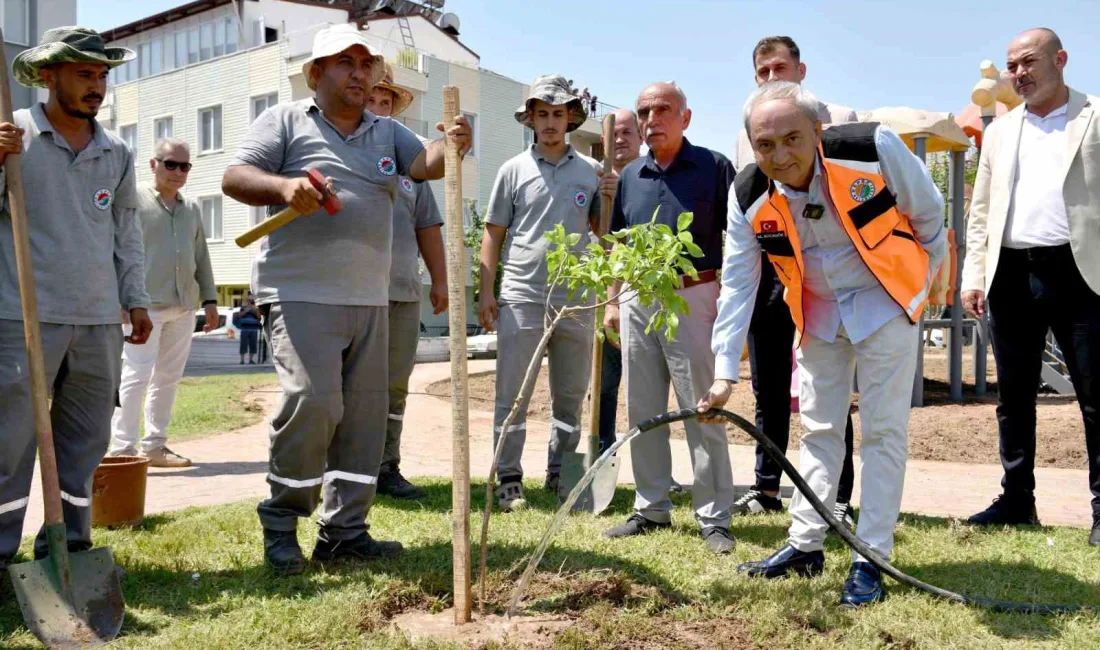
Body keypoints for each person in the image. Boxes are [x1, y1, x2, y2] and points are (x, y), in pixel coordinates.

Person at [221, 24, 471, 574]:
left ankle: (345, 532)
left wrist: (449, 143)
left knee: (363, 415)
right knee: (314, 402)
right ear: (316, 73)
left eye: (366, 64)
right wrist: (285, 188)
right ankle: (282, 522)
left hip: (371, 299)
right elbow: (235, 177)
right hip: (300, 293)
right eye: (345, 63)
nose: (360, 73)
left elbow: (424, 165)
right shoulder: (285, 120)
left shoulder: (387, 132)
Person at [699, 81, 946, 605]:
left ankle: (870, 557)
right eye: (765, 145)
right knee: (818, 431)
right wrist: (724, 370)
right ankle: (805, 545)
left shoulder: (869, 149)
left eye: (792, 139)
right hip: (817, 313)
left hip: (886, 300)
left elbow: (929, 214)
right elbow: (740, 283)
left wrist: (919, 291)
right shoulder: (747, 194)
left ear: (818, 130)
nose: (781, 156)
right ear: (751, 145)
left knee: (882, 433)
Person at [0, 27, 152, 575]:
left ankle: (69, 551)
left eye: (102, 75)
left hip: (97, 320)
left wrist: (135, 299)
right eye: (84, 74)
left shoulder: (116, 151)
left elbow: (126, 232)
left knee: (85, 443)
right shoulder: (11, 137)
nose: (97, 86)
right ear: (48, 76)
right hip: (22, 316)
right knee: (8, 446)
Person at [961, 28, 1100, 545]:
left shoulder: (1095, 115)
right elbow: (981, 211)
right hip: (1010, 274)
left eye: (1029, 62)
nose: (1019, 73)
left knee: (1094, 397)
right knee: (1013, 397)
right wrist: (974, 274)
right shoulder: (999, 129)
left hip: (1083, 274)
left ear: (1060, 59)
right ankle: (1017, 499)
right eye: (1012, 65)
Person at [601, 82, 737, 555]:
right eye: (644, 111)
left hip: (694, 296)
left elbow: (738, 238)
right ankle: (651, 506)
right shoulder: (631, 175)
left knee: (703, 407)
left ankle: (715, 517)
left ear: (686, 117)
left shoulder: (715, 167)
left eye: (663, 109)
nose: (652, 118)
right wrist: (614, 301)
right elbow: (619, 243)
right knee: (643, 408)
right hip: (639, 297)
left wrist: (728, 299)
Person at [733, 36, 860, 525]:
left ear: (801, 70)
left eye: (779, 68)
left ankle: (839, 498)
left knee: (825, 390)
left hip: (823, 278)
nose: (771, 79)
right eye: (762, 72)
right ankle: (766, 487)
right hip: (770, 271)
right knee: (767, 387)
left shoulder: (838, 118)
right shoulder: (748, 127)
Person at [479, 74, 600, 512]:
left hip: (577, 298)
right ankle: (508, 478)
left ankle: (562, 473)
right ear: (530, 118)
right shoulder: (513, 170)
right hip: (522, 294)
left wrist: (608, 196)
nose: (550, 122)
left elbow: (602, 236)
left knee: (570, 394)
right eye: (542, 114)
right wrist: (486, 291)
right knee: (513, 394)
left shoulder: (592, 172)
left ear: (571, 119)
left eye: (558, 114)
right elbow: (493, 233)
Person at [365, 63, 449, 501]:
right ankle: (344, 468)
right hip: (354, 291)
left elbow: (428, 226)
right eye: (372, 100)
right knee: (351, 385)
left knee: (396, 384)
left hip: (401, 290)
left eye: (387, 102)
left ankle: (386, 467)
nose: (379, 108)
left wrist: (439, 280)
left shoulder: (413, 166)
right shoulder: (350, 153)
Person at [109, 138, 216, 468]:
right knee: (135, 376)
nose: (178, 172)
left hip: (183, 306)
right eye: (171, 164)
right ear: (153, 164)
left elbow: (201, 256)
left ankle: (155, 447)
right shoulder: (133, 202)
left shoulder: (192, 208)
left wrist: (210, 299)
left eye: (185, 166)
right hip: (143, 306)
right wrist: (119, 297)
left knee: (167, 378)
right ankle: (123, 449)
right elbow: (115, 251)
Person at [235, 297, 262, 364]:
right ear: (247, 301)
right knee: (243, 344)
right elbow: (240, 315)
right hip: (244, 329)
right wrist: (247, 310)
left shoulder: (256, 308)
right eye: (248, 300)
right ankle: (242, 360)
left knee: (253, 345)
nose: (250, 301)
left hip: (253, 329)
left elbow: (259, 317)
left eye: (251, 300)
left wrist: (256, 310)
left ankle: (251, 360)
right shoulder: (243, 308)